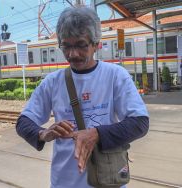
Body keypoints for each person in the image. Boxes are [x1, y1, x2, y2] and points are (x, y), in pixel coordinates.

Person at [16, 6, 149, 188]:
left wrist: (97, 134)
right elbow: (23, 122)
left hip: (108, 181)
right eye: (66, 46)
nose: (72, 54)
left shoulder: (115, 75)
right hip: (64, 183)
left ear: (96, 43)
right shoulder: (53, 82)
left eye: (80, 45)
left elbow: (140, 123)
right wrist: (42, 133)